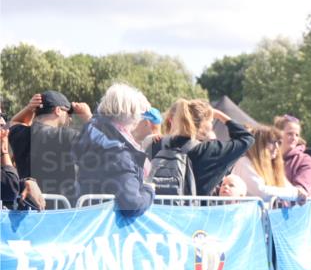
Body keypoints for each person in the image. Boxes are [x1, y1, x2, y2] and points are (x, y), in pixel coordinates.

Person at [72, 83, 155, 216]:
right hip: (107, 230)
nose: (140, 117)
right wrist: (149, 190)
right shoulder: (118, 152)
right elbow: (132, 205)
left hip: (88, 221)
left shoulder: (94, 134)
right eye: (138, 113)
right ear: (131, 114)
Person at [150, 99, 254, 196]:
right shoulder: (209, 150)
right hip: (194, 212)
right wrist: (219, 115)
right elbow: (247, 138)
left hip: (158, 211)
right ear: (205, 123)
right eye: (211, 120)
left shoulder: (158, 143)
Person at [6, 90, 92, 201]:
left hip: (28, 209)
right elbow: (99, 147)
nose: (70, 118)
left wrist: (29, 108)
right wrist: (88, 118)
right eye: (68, 113)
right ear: (58, 110)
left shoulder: (18, 133)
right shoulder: (67, 136)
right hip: (61, 211)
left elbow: (15, 121)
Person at [231, 126, 302, 204]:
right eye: (272, 142)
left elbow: (287, 186)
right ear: (259, 144)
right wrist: (295, 194)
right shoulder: (244, 162)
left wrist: (298, 192)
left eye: (278, 142)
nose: (277, 147)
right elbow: (261, 192)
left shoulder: (271, 165)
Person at [275, 115, 311, 196]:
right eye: (290, 134)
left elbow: (302, 193)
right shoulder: (267, 157)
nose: (294, 138)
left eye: (297, 135)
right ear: (277, 134)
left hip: (293, 208)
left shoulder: (305, 160)